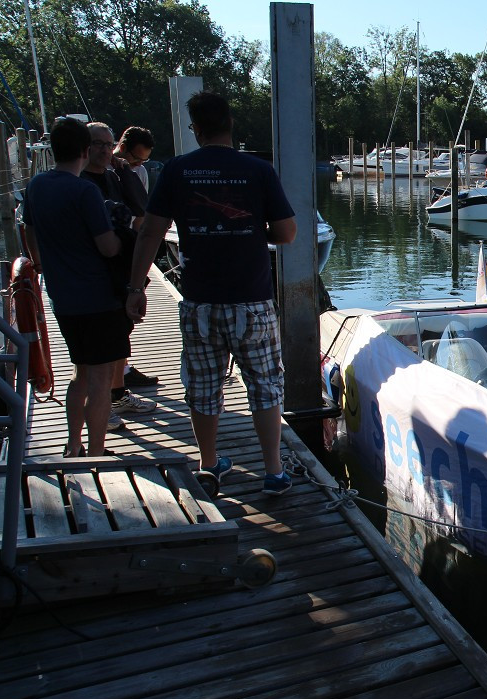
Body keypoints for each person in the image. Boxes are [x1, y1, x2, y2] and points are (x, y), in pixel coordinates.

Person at [126, 90, 297, 495]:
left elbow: (150, 231)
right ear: (231, 124)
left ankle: (208, 465)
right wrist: (255, 234)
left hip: (201, 302)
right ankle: (273, 472)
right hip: (253, 301)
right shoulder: (257, 170)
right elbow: (287, 233)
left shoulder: (176, 170)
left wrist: (135, 288)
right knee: (265, 384)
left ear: (195, 129)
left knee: (203, 386)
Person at [20, 117, 126, 457]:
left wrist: (39, 263)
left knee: (79, 372)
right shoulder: (85, 190)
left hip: (62, 298)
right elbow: (107, 247)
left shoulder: (37, 186)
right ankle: (96, 451)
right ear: (84, 151)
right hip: (97, 298)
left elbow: (30, 232)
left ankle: (73, 443)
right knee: (100, 378)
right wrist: (127, 241)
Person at [82, 121, 159, 420]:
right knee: (97, 351)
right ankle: (100, 414)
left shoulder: (117, 174)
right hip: (94, 273)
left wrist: (126, 170)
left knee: (118, 337)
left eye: (106, 144)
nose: (103, 150)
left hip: (119, 272)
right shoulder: (81, 181)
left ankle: (116, 396)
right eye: (97, 144)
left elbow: (142, 210)